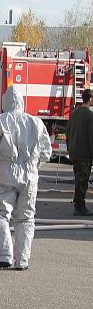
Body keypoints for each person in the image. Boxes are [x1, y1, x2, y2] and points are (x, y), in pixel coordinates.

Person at [0, 86, 52, 272]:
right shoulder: (36, 123)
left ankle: (3, 255)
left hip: (5, 174)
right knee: (25, 217)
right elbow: (46, 152)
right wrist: (33, 167)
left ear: (5, 104)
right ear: (22, 102)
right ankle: (22, 260)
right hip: (30, 177)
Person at [67, 88, 93, 216]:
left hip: (74, 152)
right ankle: (79, 206)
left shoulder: (74, 114)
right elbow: (91, 137)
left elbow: (68, 133)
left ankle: (78, 203)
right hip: (84, 154)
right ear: (90, 99)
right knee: (82, 180)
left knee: (78, 179)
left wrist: (69, 150)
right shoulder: (89, 115)